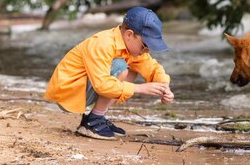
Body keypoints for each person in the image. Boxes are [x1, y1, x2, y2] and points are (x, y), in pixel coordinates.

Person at [44, 7, 174, 140]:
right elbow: (102, 85)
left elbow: (152, 67)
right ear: (129, 35)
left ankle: (96, 117)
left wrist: (164, 86)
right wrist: (140, 88)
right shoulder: (103, 43)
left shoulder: (130, 48)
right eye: (145, 46)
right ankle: (93, 121)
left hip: (86, 89)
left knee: (135, 67)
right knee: (121, 67)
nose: (147, 51)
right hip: (69, 92)